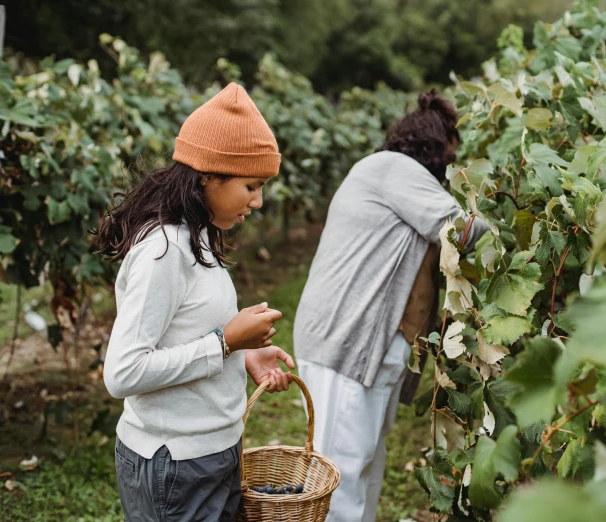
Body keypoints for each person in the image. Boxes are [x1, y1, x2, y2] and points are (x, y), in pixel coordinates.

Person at [96, 82, 295, 521]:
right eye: (251, 186)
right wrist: (224, 343)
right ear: (208, 175)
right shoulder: (163, 251)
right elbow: (123, 372)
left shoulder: (198, 236)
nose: (259, 202)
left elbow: (186, 330)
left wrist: (242, 354)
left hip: (214, 452)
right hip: (174, 464)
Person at [293, 90, 489, 522]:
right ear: (432, 146)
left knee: (364, 464)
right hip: (345, 340)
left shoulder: (391, 174)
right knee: (339, 475)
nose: (452, 164)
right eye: (450, 152)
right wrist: (517, 236)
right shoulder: (393, 169)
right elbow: (461, 230)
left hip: (372, 343)